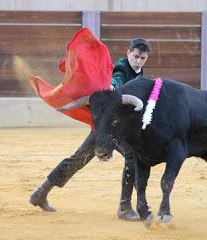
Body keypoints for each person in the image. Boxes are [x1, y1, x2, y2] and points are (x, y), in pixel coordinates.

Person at [29, 38, 151, 221]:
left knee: (78, 159)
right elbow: (115, 79)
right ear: (128, 53)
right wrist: (113, 87)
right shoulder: (122, 67)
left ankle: (40, 193)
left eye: (142, 58)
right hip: (111, 129)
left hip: (109, 127)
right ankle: (124, 207)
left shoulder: (140, 73)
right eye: (135, 57)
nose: (138, 61)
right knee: (132, 156)